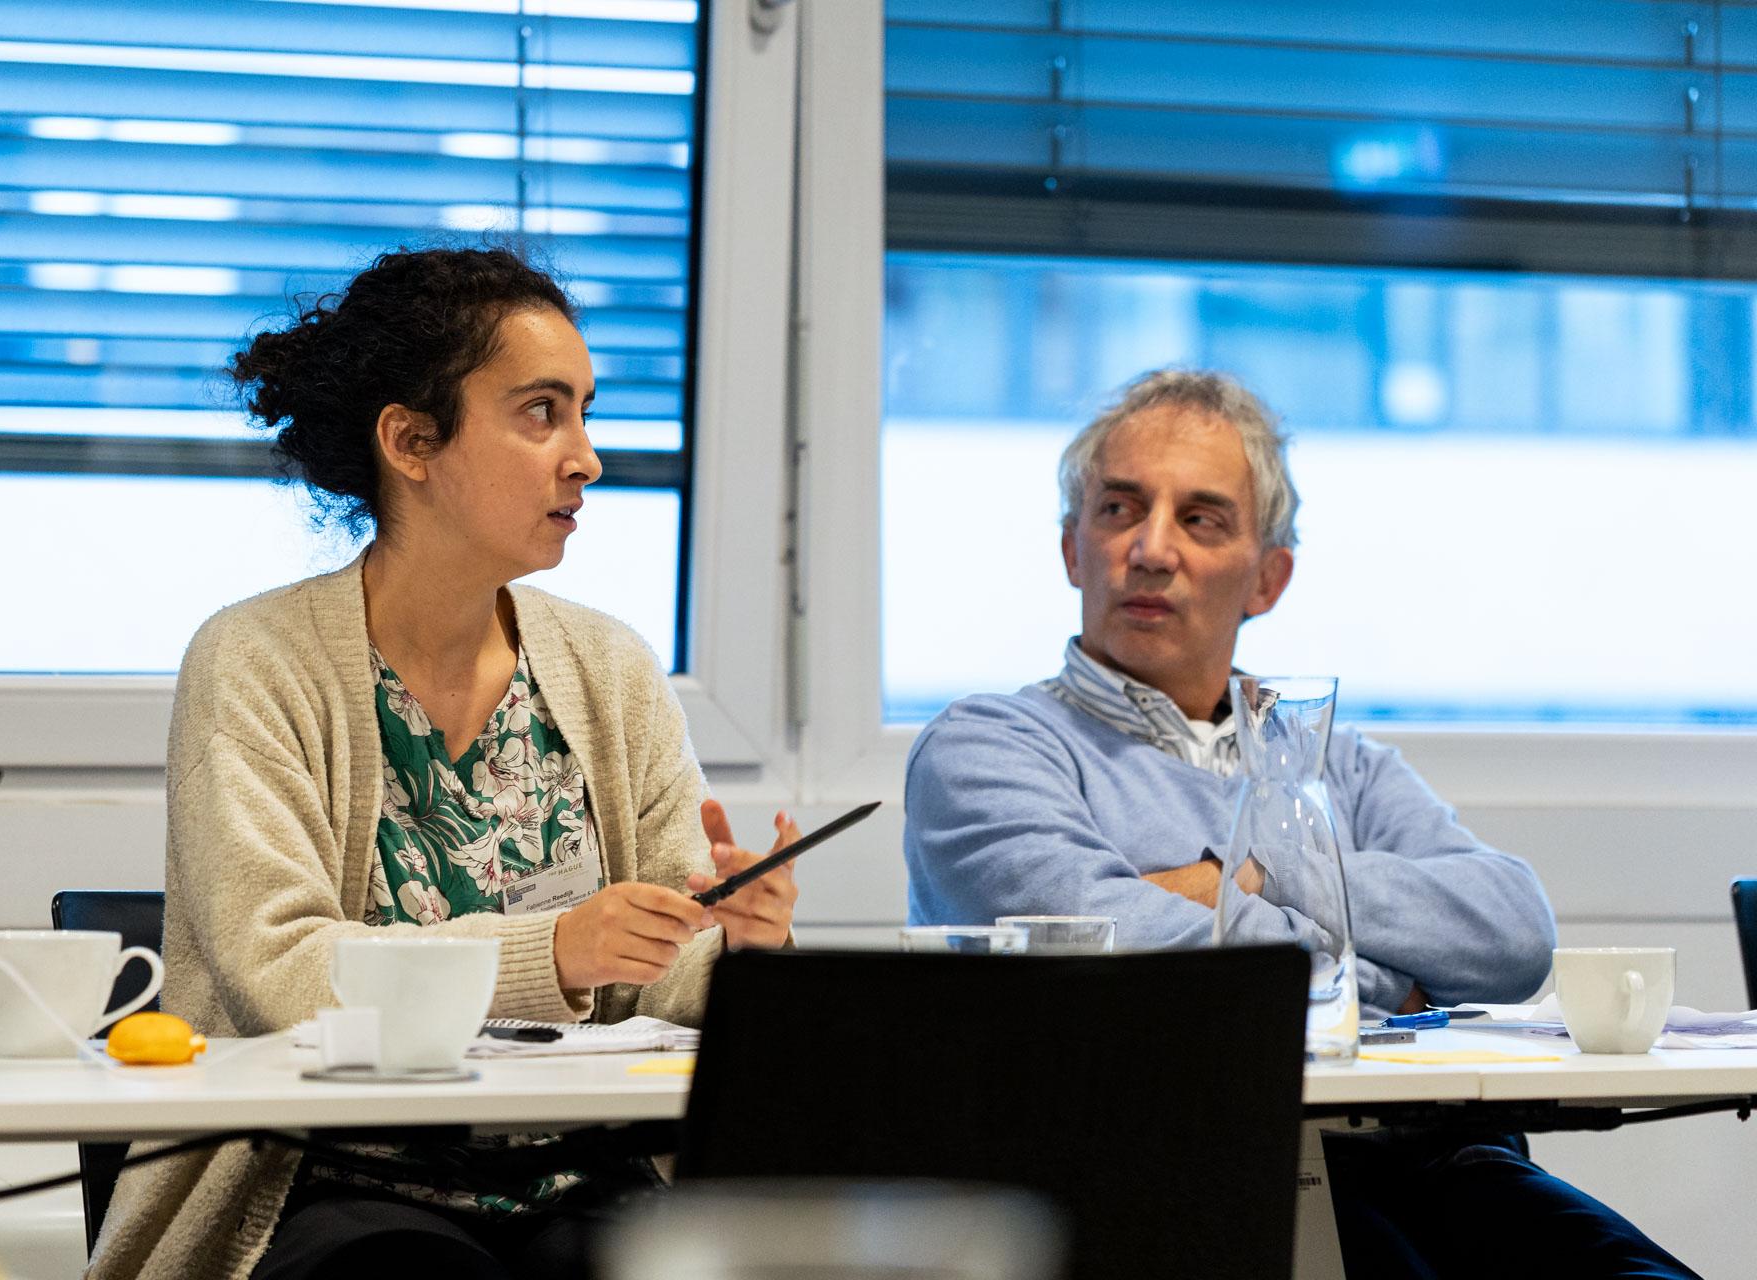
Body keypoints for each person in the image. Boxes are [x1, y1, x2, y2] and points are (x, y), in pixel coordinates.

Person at [90, 246, 799, 1280]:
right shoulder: (255, 661)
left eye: (586, 412)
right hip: (324, 1183)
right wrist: (556, 950)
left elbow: (656, 978)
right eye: (541, 412)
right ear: (412, 440)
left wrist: (738, 941)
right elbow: (283, 974)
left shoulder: (611, 666)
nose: (587, 456)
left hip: (583, 1175)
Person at [902, 369, 1699, 1278]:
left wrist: (1257, 868)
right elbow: (1088, 952)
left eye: (1200, 519)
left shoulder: (1338, 760)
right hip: (1163, 1183)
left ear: (1269, 577)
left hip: (1432, 1162)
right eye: (1120, 509)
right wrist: (1388, 974)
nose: (1152, 549)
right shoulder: (988, 749)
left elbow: (1511, 929)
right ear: (1071, 550)